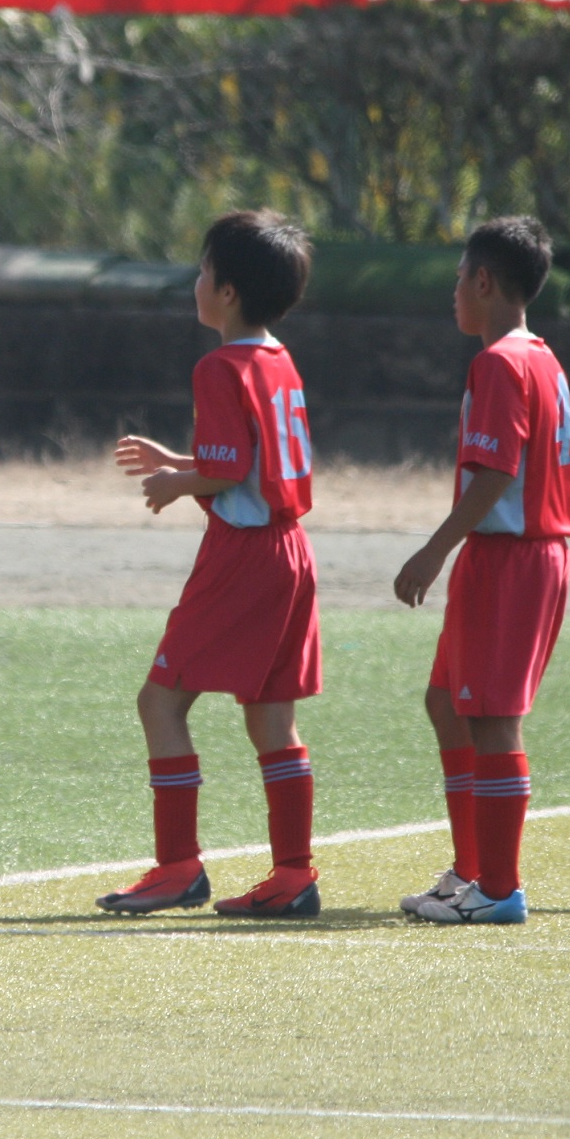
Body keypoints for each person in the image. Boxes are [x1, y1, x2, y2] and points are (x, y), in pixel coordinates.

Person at [99, 212, 323, 920]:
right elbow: (254, 463)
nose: (195, 283)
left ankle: (176, 868)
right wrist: (178, 463)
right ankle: (292, 874)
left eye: (201, 273)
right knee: (269, 720)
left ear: (225, 292)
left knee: (159, 701)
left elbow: (229, 467)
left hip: (242, 559)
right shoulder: (277, 359)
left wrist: (176, 483)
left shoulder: (219, 365)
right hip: (289, 553)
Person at [392, 217, 570, 926]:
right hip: (512, 556)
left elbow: (496, 472)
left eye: (457, 279)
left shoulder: (499, 362)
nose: (452, 295)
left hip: (512, 557)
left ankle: (498, 889)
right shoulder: (540, 355)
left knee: (494, 719)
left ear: (482, 281)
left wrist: (432, 549)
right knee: (446, 701)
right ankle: (468, 871)